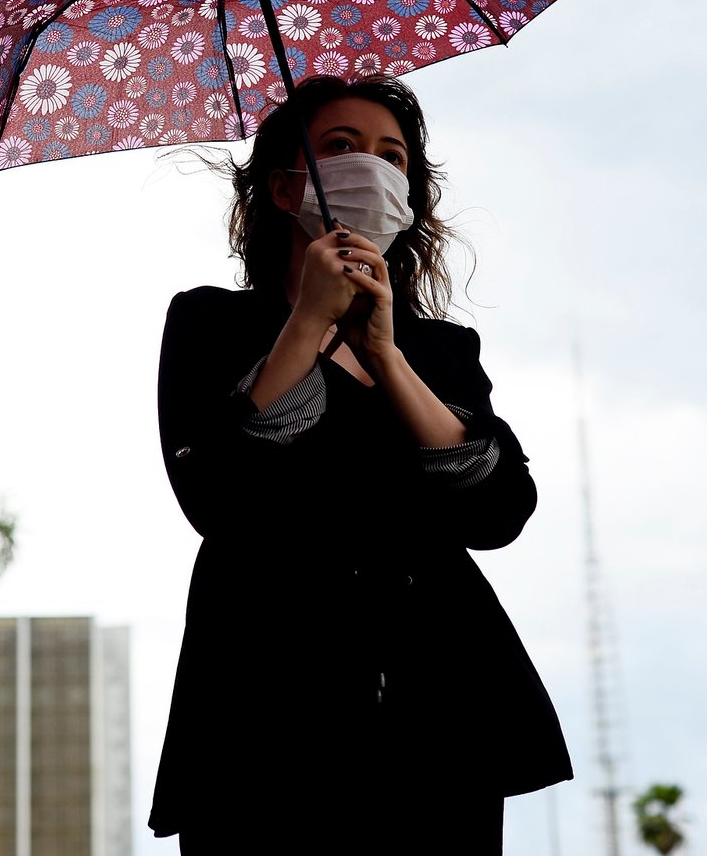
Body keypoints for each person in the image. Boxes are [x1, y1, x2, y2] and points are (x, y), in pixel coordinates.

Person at [149, 75, 572, 854]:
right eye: (339, 148)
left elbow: (499, 511)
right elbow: (217, 492)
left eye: (391, 155)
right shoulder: (211, 321)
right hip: (260, 713)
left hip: (443, 711)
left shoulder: (443, 349)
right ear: (283, 187)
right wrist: (309, 320)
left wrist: (384, 351)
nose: (370, 168)